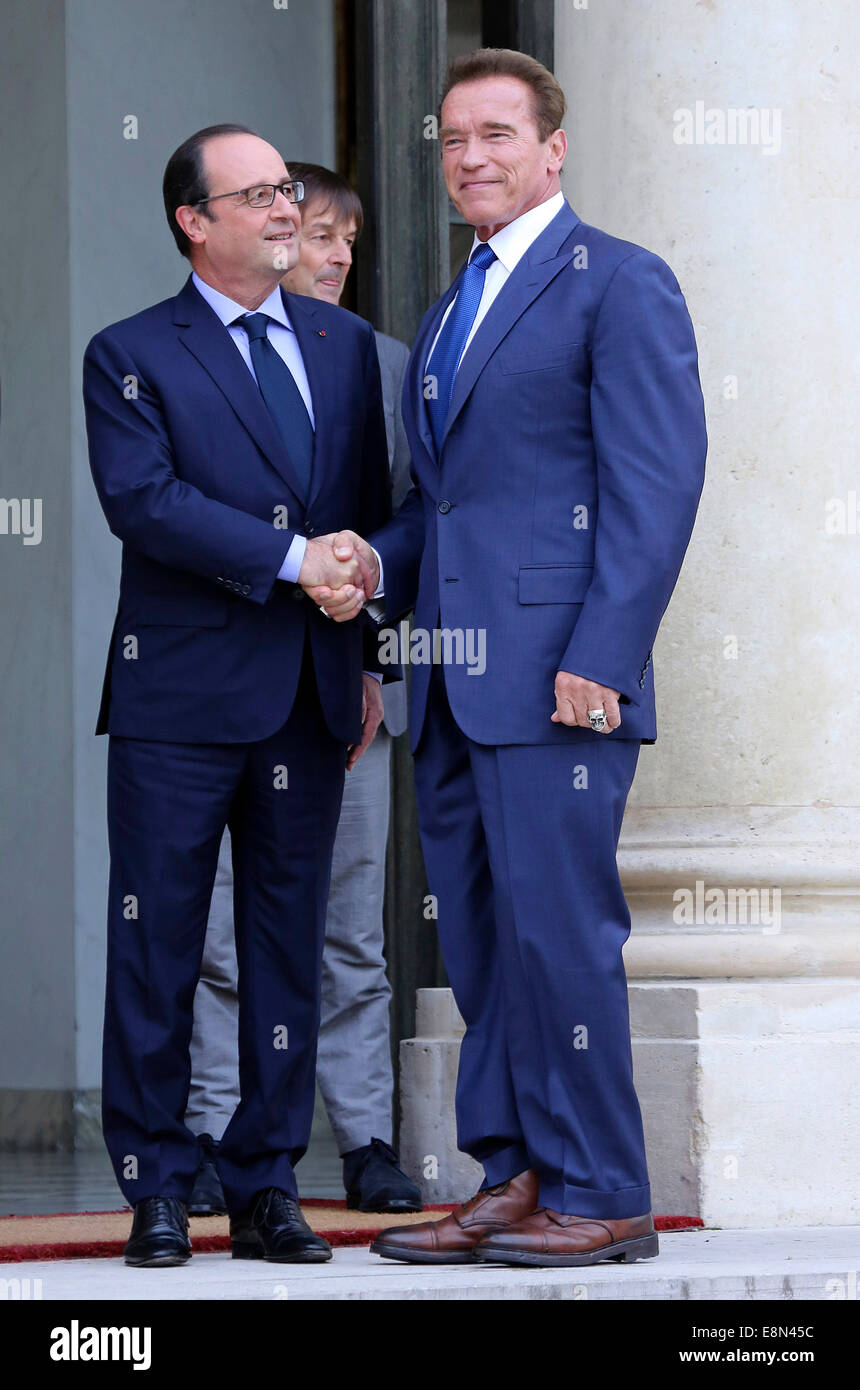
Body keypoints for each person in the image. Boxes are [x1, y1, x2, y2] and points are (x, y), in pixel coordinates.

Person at [307, 48, 707, 1268]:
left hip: (560, 682)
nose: (470, 157)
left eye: (495, 134)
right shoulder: (446, 309)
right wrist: (375, 567)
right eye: (453, 140)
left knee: (559, 935)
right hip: (455, 673)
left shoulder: (620, 283)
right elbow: (448, 507)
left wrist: (606, 650)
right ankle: (517, 1171)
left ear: (552, 149)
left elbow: (657, 483)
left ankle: (606, 1189)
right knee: (480, 939)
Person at [83, 124, 392, 1266]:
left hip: (310, 690)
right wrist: (294, 561)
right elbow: (145, 502)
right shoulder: (128, 351)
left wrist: (363, 618)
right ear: (194, 222)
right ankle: (160, 1182)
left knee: (285, 947)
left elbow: (368, 509)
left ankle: (268, 1185)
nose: (283, 208)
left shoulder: (345, 344)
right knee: (158, 944)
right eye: (256, 194)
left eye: (284, 190)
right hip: (176, 697)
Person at [185, 163, 421, 1216]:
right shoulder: (198, 360)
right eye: (312, 232)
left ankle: (366, 1138)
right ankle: (203, 1137)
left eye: (344, 240)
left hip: (348, 704)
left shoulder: (386, 369)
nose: (329, 255)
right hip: (224, 695)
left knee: (347, 935)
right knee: (222, 933)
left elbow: (416, 530)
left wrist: (374, 655)